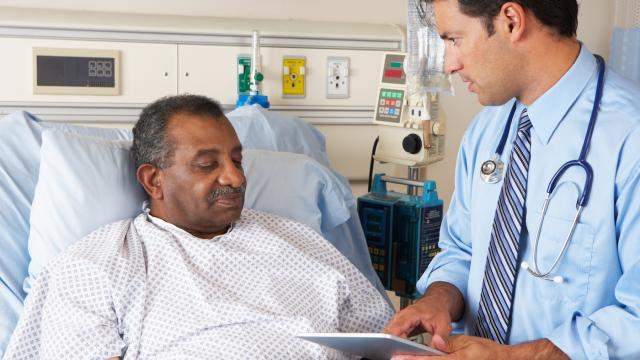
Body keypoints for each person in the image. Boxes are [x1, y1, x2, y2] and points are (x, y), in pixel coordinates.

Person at [5, 94, 394, 359]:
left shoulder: (297, 240)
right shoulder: (95, 266)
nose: (235, 178)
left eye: (237, 161)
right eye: (208, 165)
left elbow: (385, 342)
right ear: (153, 180)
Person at [385, 1, 640, 359]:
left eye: (455, 39)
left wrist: (513, 357)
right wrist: (437, 301)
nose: (449, 64)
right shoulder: (487, 132)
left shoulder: (630, 139)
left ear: (510, 20)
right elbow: (461, 251)